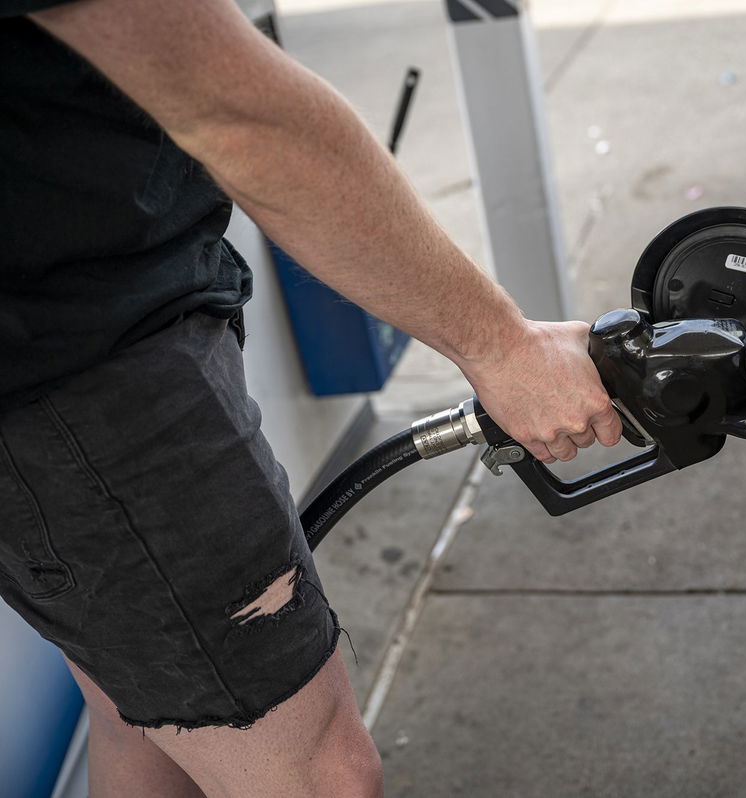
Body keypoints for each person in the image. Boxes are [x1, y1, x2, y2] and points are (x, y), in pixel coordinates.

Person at [0, 0, 623, 795]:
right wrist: (500, 346)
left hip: (81, 341)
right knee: (321, 772)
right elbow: (233, 109)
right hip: (84, 382)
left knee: (146, 715)